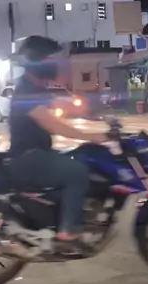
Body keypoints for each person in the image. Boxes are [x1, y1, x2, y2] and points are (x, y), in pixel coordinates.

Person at [8, 35, 108, 248]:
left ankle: (64, 215)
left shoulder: (35, 87)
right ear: (35, 61)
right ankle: (68, 231)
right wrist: (91, 136)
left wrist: (99, 114)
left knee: (84, 159)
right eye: (48, 59)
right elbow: (53, 125)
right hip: (28, 158)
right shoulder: (26, 91)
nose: (54, 64)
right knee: (77, 173)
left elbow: (61, 103)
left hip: (38, 154)